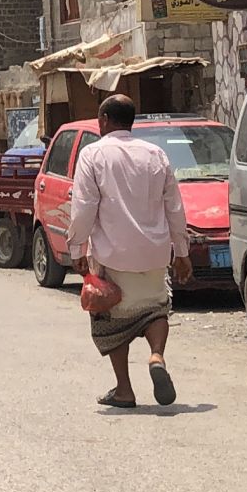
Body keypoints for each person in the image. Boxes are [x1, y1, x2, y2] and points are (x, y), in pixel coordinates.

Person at [67, 94, 191, 409]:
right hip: (154, 253)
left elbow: (84, 206)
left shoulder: (92, 155)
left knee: (111, 321)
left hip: (113, 256)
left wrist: (77, 247)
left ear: (105, 120)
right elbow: (174, 207)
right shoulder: (156, 154)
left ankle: (124, 389)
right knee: (155, 309)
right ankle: (156, 356)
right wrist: (183, 251)